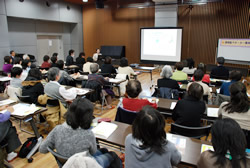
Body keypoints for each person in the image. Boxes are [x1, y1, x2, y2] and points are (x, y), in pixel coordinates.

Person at [39, 98, 118, 168]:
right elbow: (93, 152)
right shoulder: (87, 134)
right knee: (113, 155)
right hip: (86, 164)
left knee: (104, 150)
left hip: (65, 164)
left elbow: (42, 149)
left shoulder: (57, 129)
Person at [218, 82, 250, 148]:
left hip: (224, 145)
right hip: (244, 147)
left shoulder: (224, 106)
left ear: (231, 94)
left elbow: (219, 119)